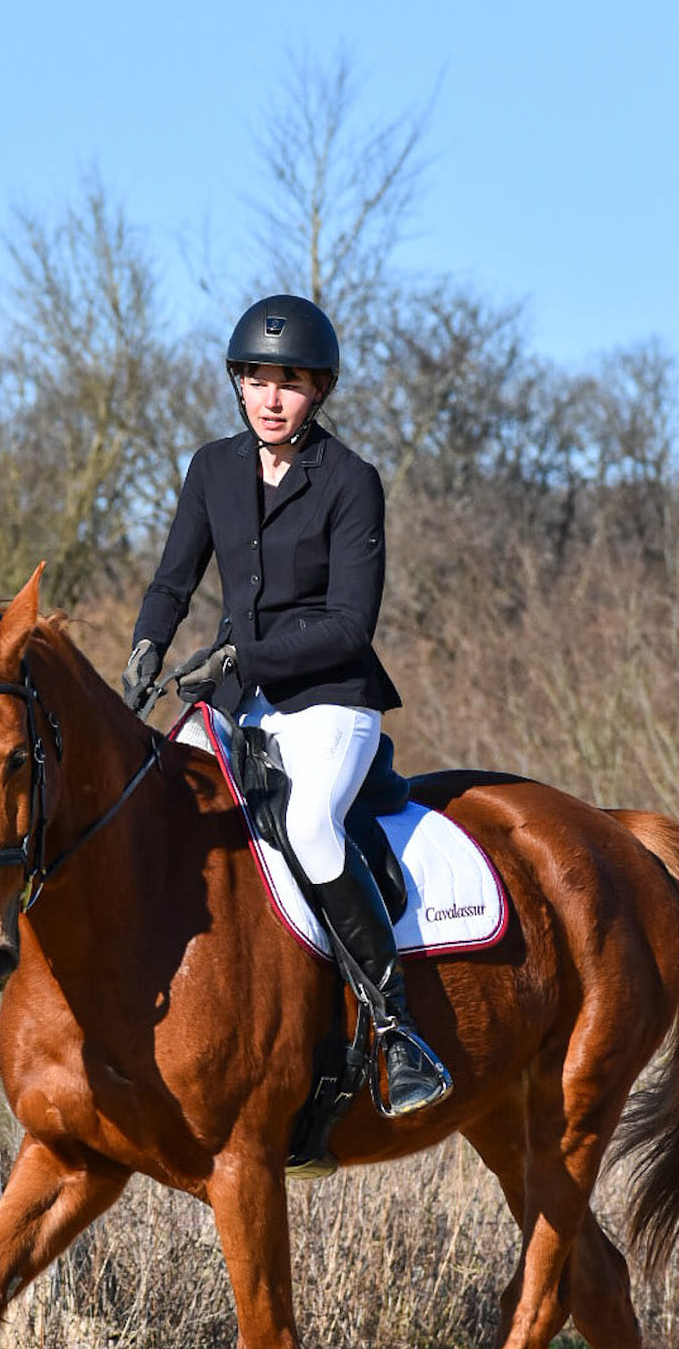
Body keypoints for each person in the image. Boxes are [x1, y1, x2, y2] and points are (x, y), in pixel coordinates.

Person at [121, 294, 452, 1143]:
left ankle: (393, 1031)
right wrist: (148, 647)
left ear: (321, 391)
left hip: (331, 703)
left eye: (291, 383)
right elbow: (172, 580)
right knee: (161, 808)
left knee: (307, 825)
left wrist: (242, 658)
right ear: (237, 382)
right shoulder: (212, 469)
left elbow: (349, 625)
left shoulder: (351, 483)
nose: (271, 397)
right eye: (257, 379)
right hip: (237, 704)